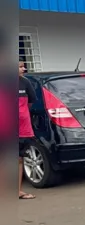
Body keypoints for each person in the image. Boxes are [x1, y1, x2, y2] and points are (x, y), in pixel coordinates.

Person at [18, 60, 37, 199]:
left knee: (18, 159)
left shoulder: (25, 83)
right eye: (20, 67)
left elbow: (30, 102)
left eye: (23, 66)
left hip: (22, 129)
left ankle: (17, 191)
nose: (23, 69)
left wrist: (22, 114)